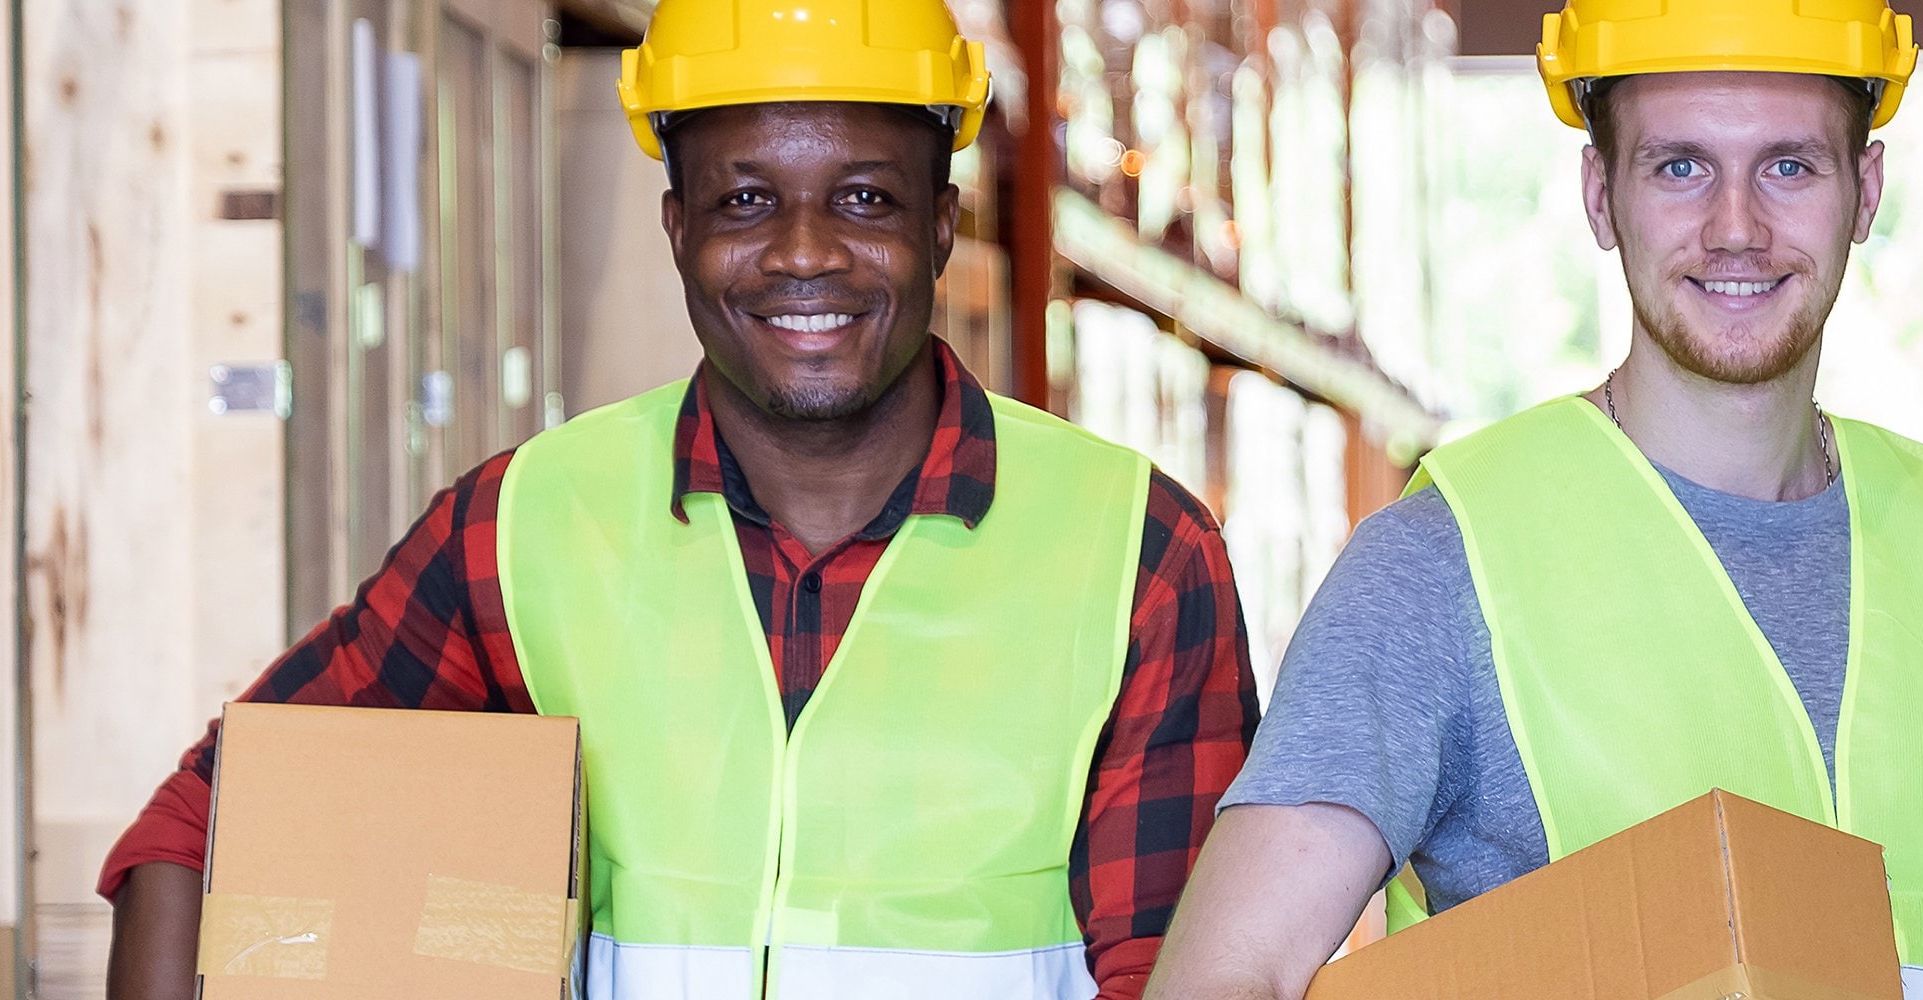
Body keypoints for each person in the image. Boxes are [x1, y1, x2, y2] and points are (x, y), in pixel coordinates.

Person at [96, 2, 1256, 997]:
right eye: (746, 203)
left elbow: (1185, 969)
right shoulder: (527, 527)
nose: (806, 254)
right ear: (678, 230)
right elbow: (207, 828)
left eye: (863, 198)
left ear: (940, 226)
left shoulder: (1137, 557)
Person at [1138, 2, 1923, 998]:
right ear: (1601, 196)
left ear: (1867, 191)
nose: (1736, 227)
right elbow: (1223, 974)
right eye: (1680, 166)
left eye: (1790, 165)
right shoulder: (1446, 560)